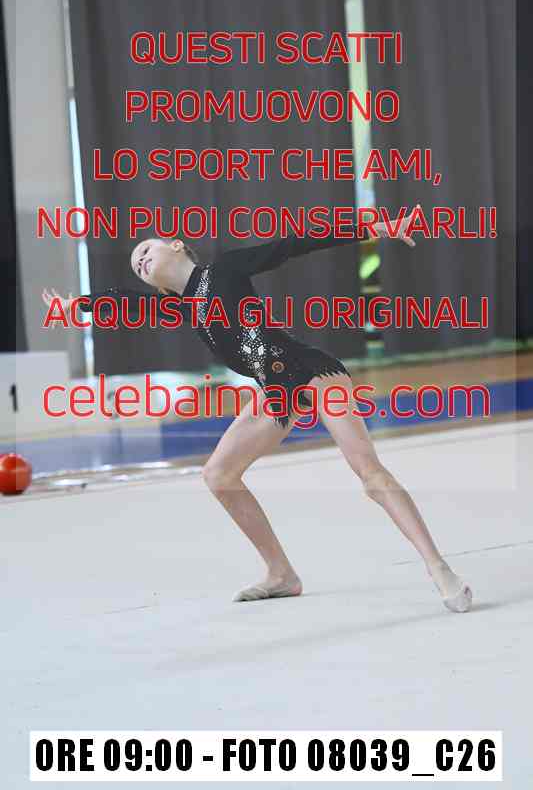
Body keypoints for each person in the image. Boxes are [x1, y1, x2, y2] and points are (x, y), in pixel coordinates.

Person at [42, 209, 472, 612]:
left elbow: (293, 243)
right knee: (219, 475)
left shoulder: (224, 269)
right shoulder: (181, 306)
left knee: (370, 475)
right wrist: (76, 306)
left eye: (145, 250)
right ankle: (281, 573)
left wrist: (371, 227)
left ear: (175, 244)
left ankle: (438, 567)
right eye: (137, 265)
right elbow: (123, 302)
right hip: (274, 391)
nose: (140, 260)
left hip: (311, 372)